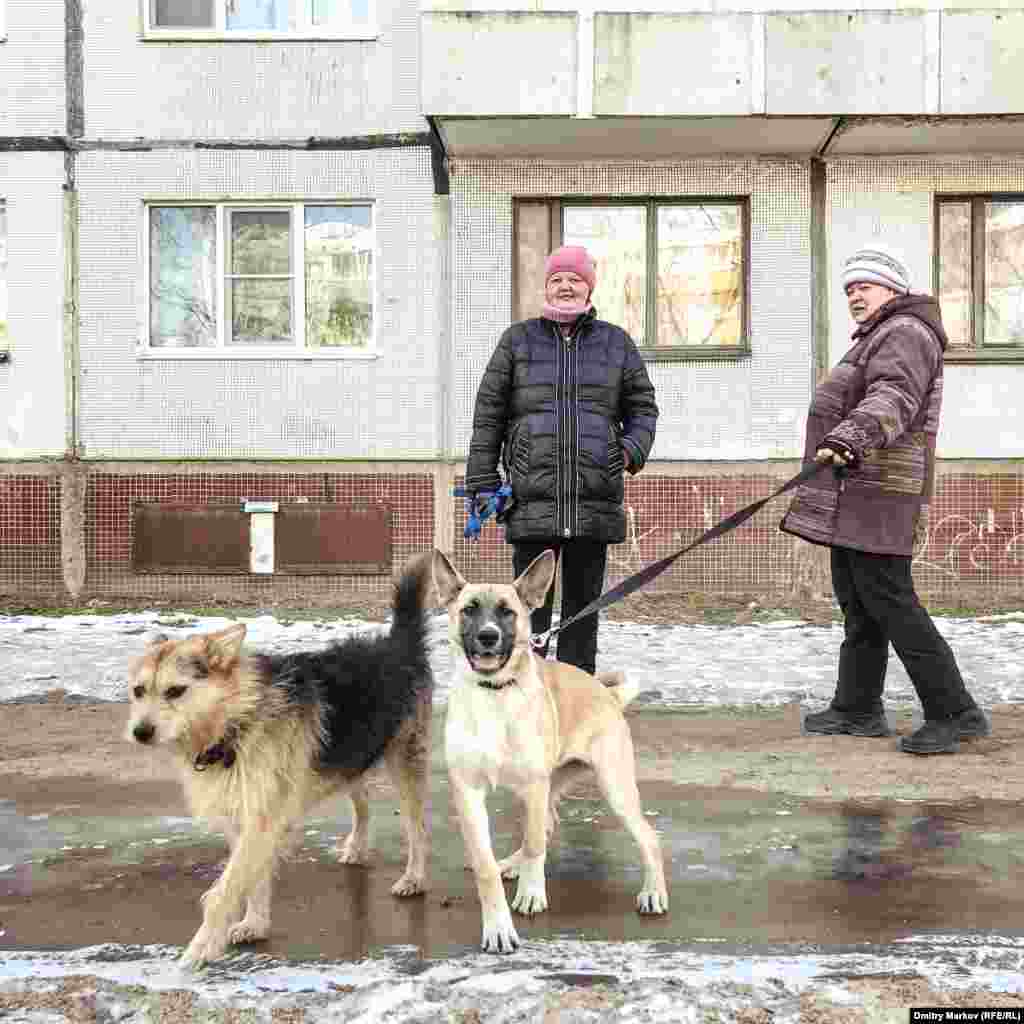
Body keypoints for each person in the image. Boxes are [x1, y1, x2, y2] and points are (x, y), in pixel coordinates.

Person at [781, 242, 990, 755]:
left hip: (882, 492)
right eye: (849, 287)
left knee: (892, 602)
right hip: (856, 489)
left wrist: (850, 436)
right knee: (860, 602)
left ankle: (956, 712)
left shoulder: (906, 332)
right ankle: (857, 708)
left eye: (865, 285)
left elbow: (894, 395)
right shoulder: (879, 335)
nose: (855, 294)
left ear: (893, 289)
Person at [464, 244, 658, 675]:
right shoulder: (517, 341)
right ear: (546, 287)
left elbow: (643, 409)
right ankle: (524, 697)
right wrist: (482, 482)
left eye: (574, 279)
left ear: (588, 287)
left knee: (582, 614)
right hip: (532, 500)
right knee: (527, 612)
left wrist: (628, 451)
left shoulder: (616, 344)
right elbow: (488, 414)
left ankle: (576, 700)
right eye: (557, 279)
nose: (565, 286)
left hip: (593, 499)